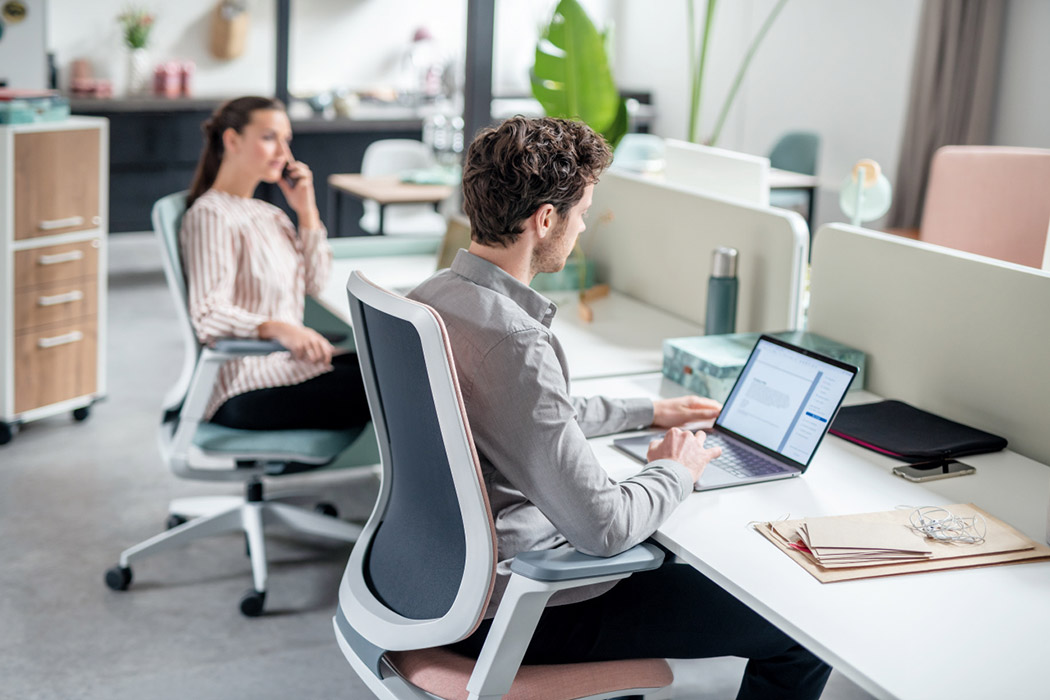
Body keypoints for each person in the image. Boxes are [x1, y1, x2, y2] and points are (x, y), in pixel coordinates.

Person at [408, 116, 831, 700]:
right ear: (546, 219)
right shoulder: (515, 341)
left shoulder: (432, 300)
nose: (582, 228)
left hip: (431, 581)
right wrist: (676, 469)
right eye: (580, 213)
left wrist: (647, 410)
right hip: (517, 608)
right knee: (799, 627)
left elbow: (529, 412)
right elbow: (604, 529)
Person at [179, 96, 369, 432]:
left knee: (389, 369)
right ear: (232, 140)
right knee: (392, 384)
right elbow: (208, 313)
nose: (283, 153)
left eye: (287, 141)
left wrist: (307, 211)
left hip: (287, 369)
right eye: (269, 138)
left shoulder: (272, 215)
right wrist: (280, 328)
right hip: (244, 387)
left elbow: (314, 282)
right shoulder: (211, 215)